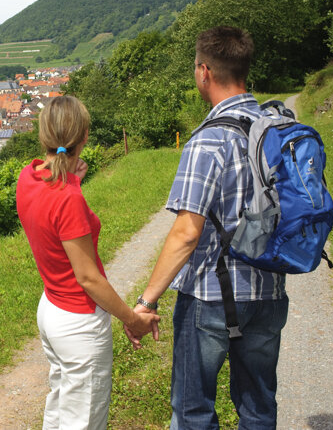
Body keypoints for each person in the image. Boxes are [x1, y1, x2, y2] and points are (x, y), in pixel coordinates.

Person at [129, 26, 289, 429]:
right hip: (269, 291)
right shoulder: (278, 128)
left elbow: (186, 232)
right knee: (258, 407)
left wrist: (146, 303)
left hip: (210, 297)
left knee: (193, 410)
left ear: (204, 71)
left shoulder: (208, 140)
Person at [16, 95, 160, 430]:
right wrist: (131, 319)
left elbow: (52, 214)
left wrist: (74, 180)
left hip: (50, 309)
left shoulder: (29, 177)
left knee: (60, 403)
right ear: (84, 137)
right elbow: (89, 278)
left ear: (43, 136)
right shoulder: (68, 198)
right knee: (83, 421)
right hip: (78, 323)